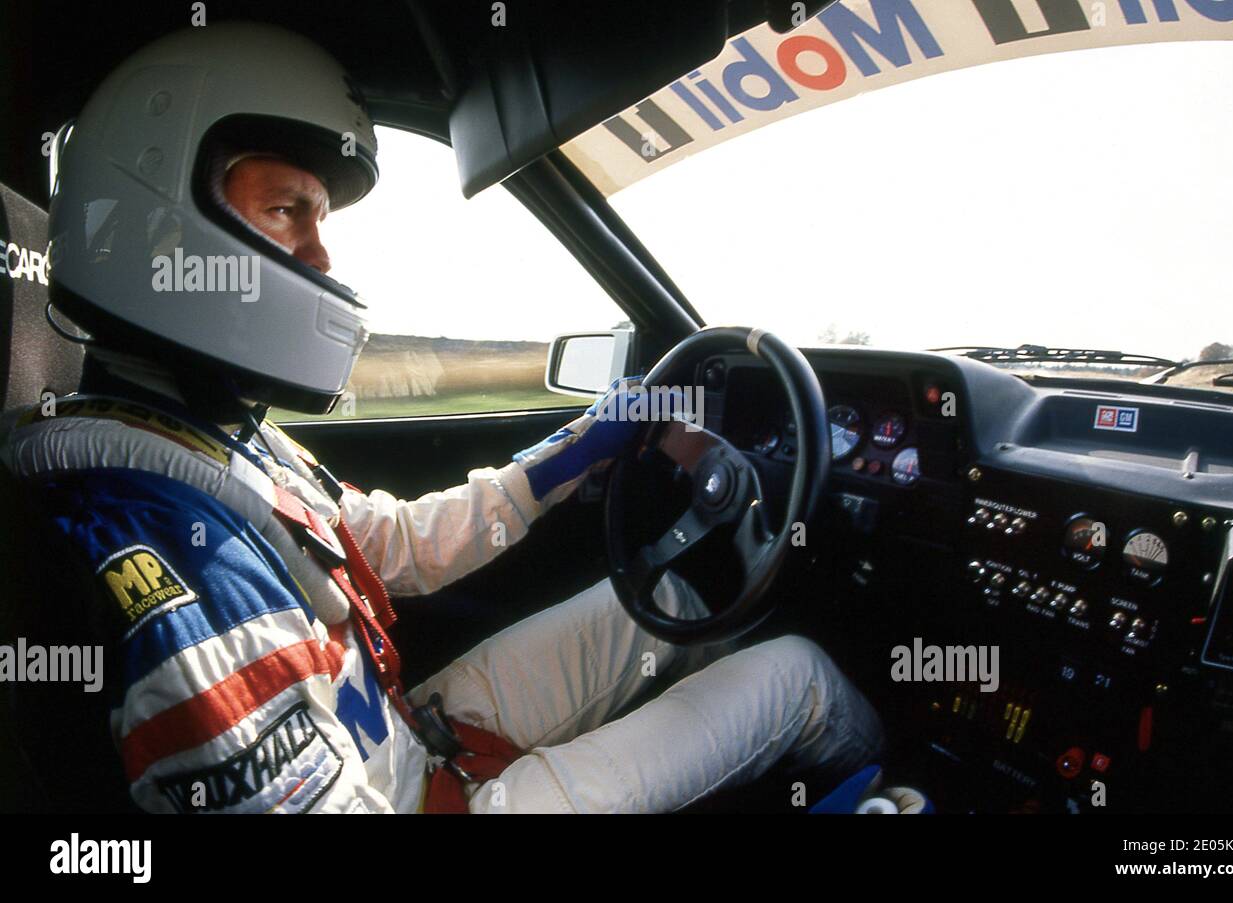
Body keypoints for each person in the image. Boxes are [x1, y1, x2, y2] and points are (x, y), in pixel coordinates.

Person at [0, 22, 884, 813]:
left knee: (674, 601)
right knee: (797, 676)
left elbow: (392, 543)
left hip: (405, 734)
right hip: (427, 792)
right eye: (285, 211)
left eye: (320, 217)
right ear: (166, 234)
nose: (322, 254)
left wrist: (588, 441)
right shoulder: (167, 560)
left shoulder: (201, 440)